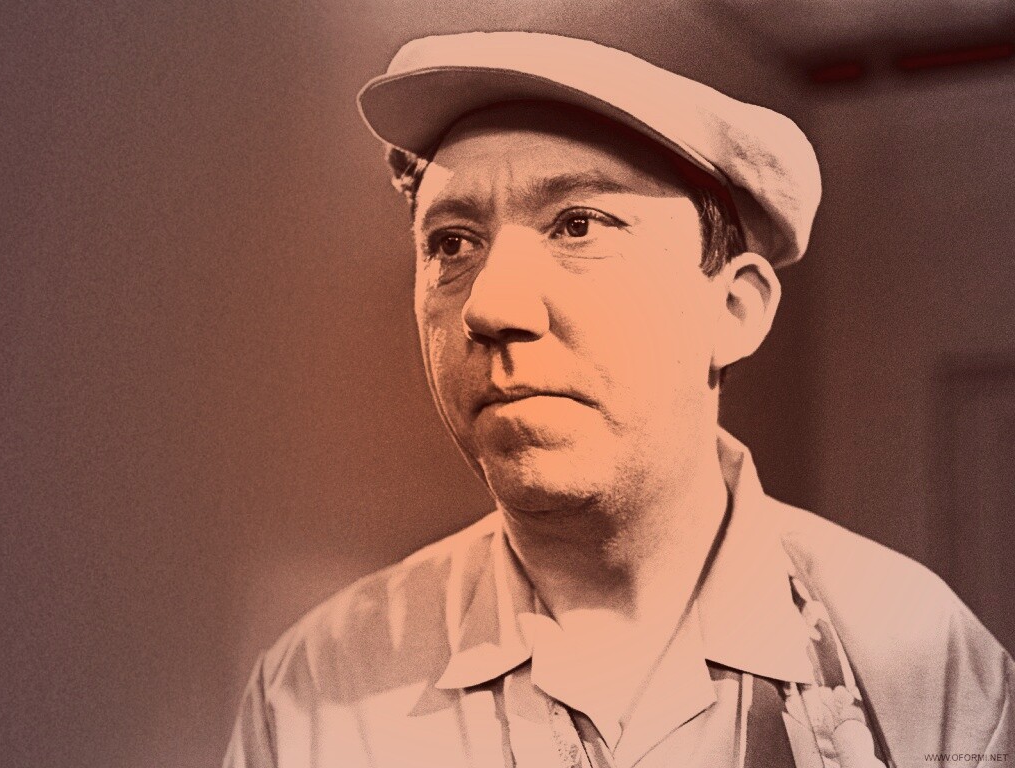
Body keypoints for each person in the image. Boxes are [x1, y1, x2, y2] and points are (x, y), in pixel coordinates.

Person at [223, 32, 1013, 768]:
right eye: (452, 243)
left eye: (577, 225)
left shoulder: (920, 661)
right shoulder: (321, 689)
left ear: (733, 310)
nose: (490, 306)